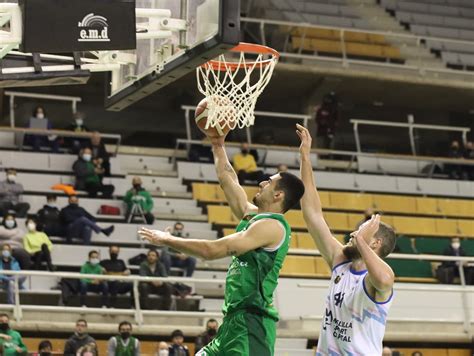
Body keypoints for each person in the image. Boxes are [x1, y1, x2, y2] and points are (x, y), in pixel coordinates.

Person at [139, 130, 305, 356]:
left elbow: (213, 250)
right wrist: (218, 145)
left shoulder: (273, 226)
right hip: (231, 324)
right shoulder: (253, 216)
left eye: (270, 182)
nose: (262, 182)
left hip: (252, 325)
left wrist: (167, 239)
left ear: (278, 196)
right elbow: (229, 181)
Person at [296, 124, 396, 355]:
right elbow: (312, 213)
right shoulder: (340, 260)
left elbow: (385, 278)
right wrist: (305, 158)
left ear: (375, 243)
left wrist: (360, 240)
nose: (353, 234)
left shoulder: (375, 281)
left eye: (360, 232)